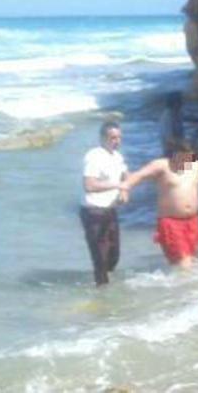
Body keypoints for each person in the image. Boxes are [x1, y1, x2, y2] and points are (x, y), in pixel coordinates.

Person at [118, 139, 198, 268]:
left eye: (189, 157)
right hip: (170, 223)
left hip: (192, 223)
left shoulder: (195, 165)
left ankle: (178, 287)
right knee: (184, 264)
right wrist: (125, 188)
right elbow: (139, 175)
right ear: (174, 155)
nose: (187, 161)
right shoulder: (161, 165)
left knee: (188, 263)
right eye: (184, 157)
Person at [80, 121, 128, 286]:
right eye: (113, 138)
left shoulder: (118, 157)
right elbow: (89, 185)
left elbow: (125, 176)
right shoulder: (94, 156)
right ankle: (102, 297)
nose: (117, 141)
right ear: (102, 138)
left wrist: (124, 191)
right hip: (94, 212)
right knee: (101, 258)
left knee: (114, 256)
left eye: (119, 137)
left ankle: (106, 287)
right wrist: (117, 186)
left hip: (110, 210)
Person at [159, 91, 185, 157]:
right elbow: (170, 139)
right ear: (174, 103)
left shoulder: (178, 113)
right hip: (170, 155)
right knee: (197, 161)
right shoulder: (167, 116)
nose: (182, 103)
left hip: (179, 150)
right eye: (180, 101)